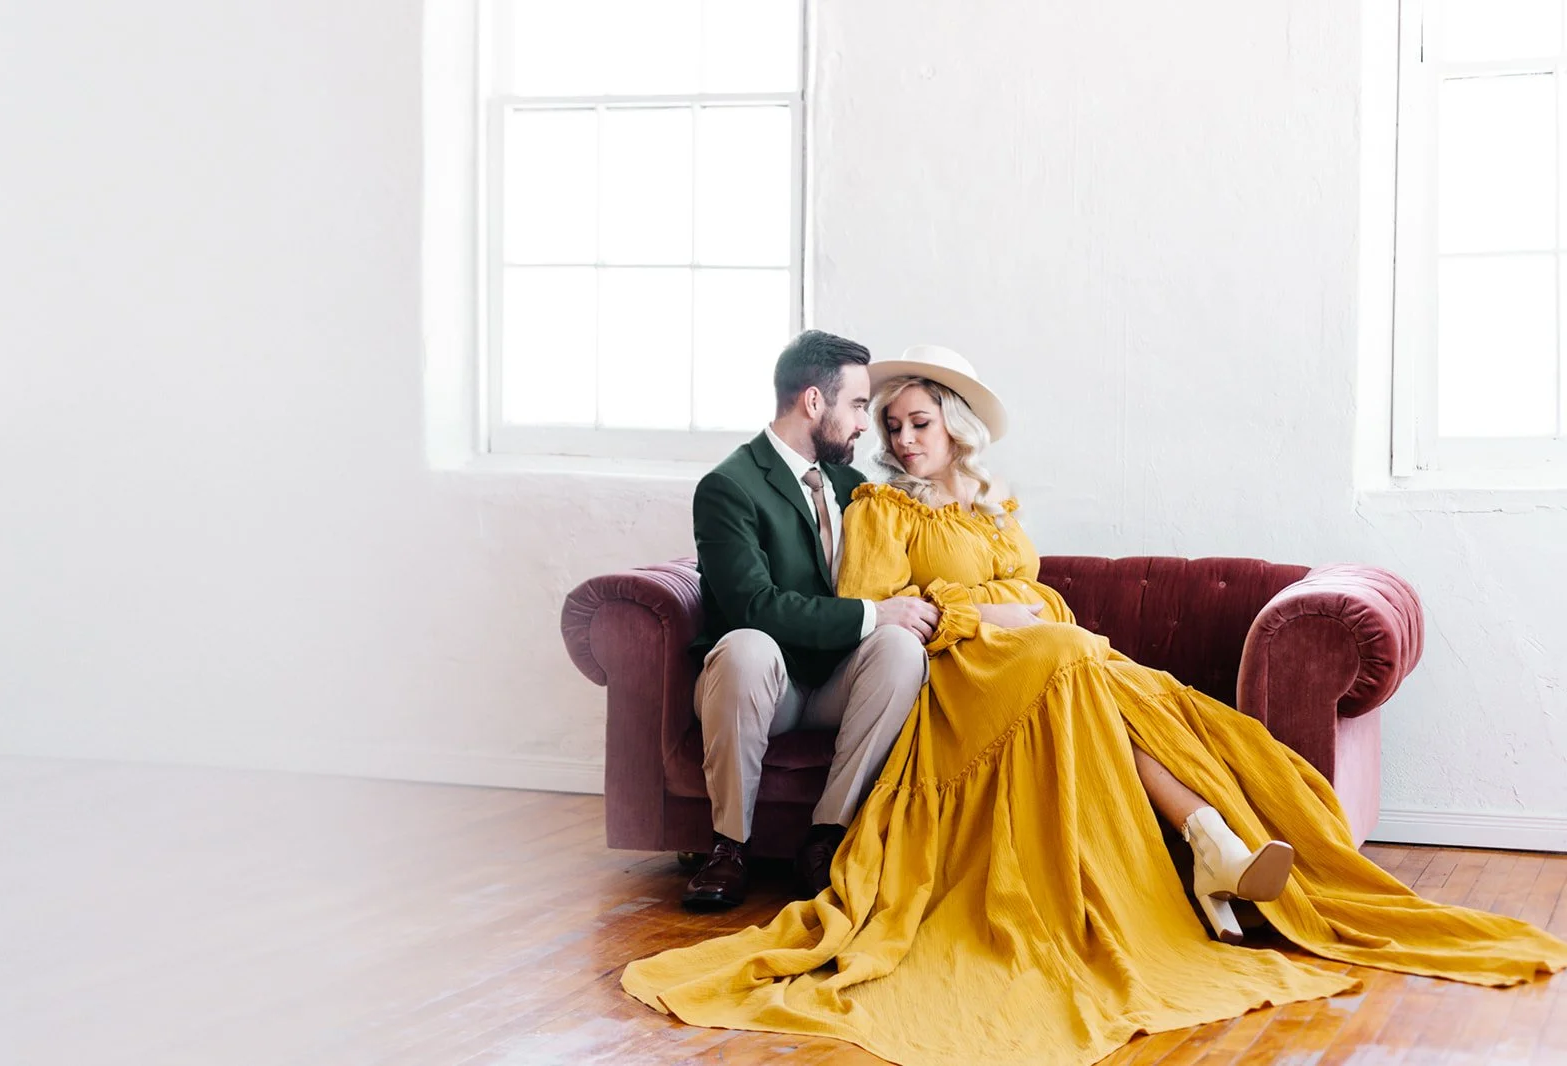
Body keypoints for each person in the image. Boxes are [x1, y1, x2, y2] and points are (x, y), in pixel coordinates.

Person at [624, 345, 1567, 1066]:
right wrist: (979, 607)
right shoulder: (883, 510)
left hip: (1032, 659)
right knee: (1075, 656)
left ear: (954, 426)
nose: (903, 440)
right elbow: (890, 614)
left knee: (1078, 664)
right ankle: (1212, 845)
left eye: (918, 423)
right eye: (893, 426)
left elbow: (1036, 597)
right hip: (951, 675)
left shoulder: (995, 506)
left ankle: (1213, 845)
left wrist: (1007, 608)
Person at [682, 330, 937, 911]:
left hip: (830, 683)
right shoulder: (728, 487)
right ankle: (728, 846)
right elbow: (754, 606)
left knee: (900, 648)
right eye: (857, 406)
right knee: (748, 644)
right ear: (813, 402)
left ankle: (827, 836)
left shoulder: (853, 487)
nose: (865, 425)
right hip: (760, 688)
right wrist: (873, 613)